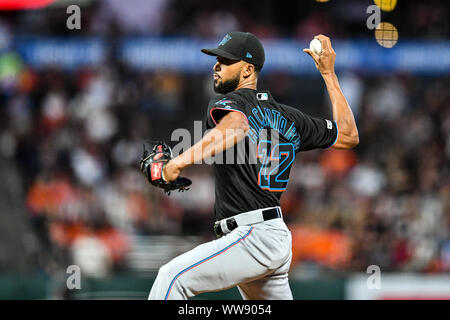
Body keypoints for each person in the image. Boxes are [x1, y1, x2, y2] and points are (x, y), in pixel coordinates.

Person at [148, 31, 359, 300]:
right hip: (270, 236)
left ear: (248, 70)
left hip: (253, 236)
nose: (216, 65)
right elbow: (349, 134)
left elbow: (236, 127)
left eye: (225, 60)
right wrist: (329, 75)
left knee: (172, 277)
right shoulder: (288, 116)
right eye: (217, 59)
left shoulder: (235, 102)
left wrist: (175, 164)